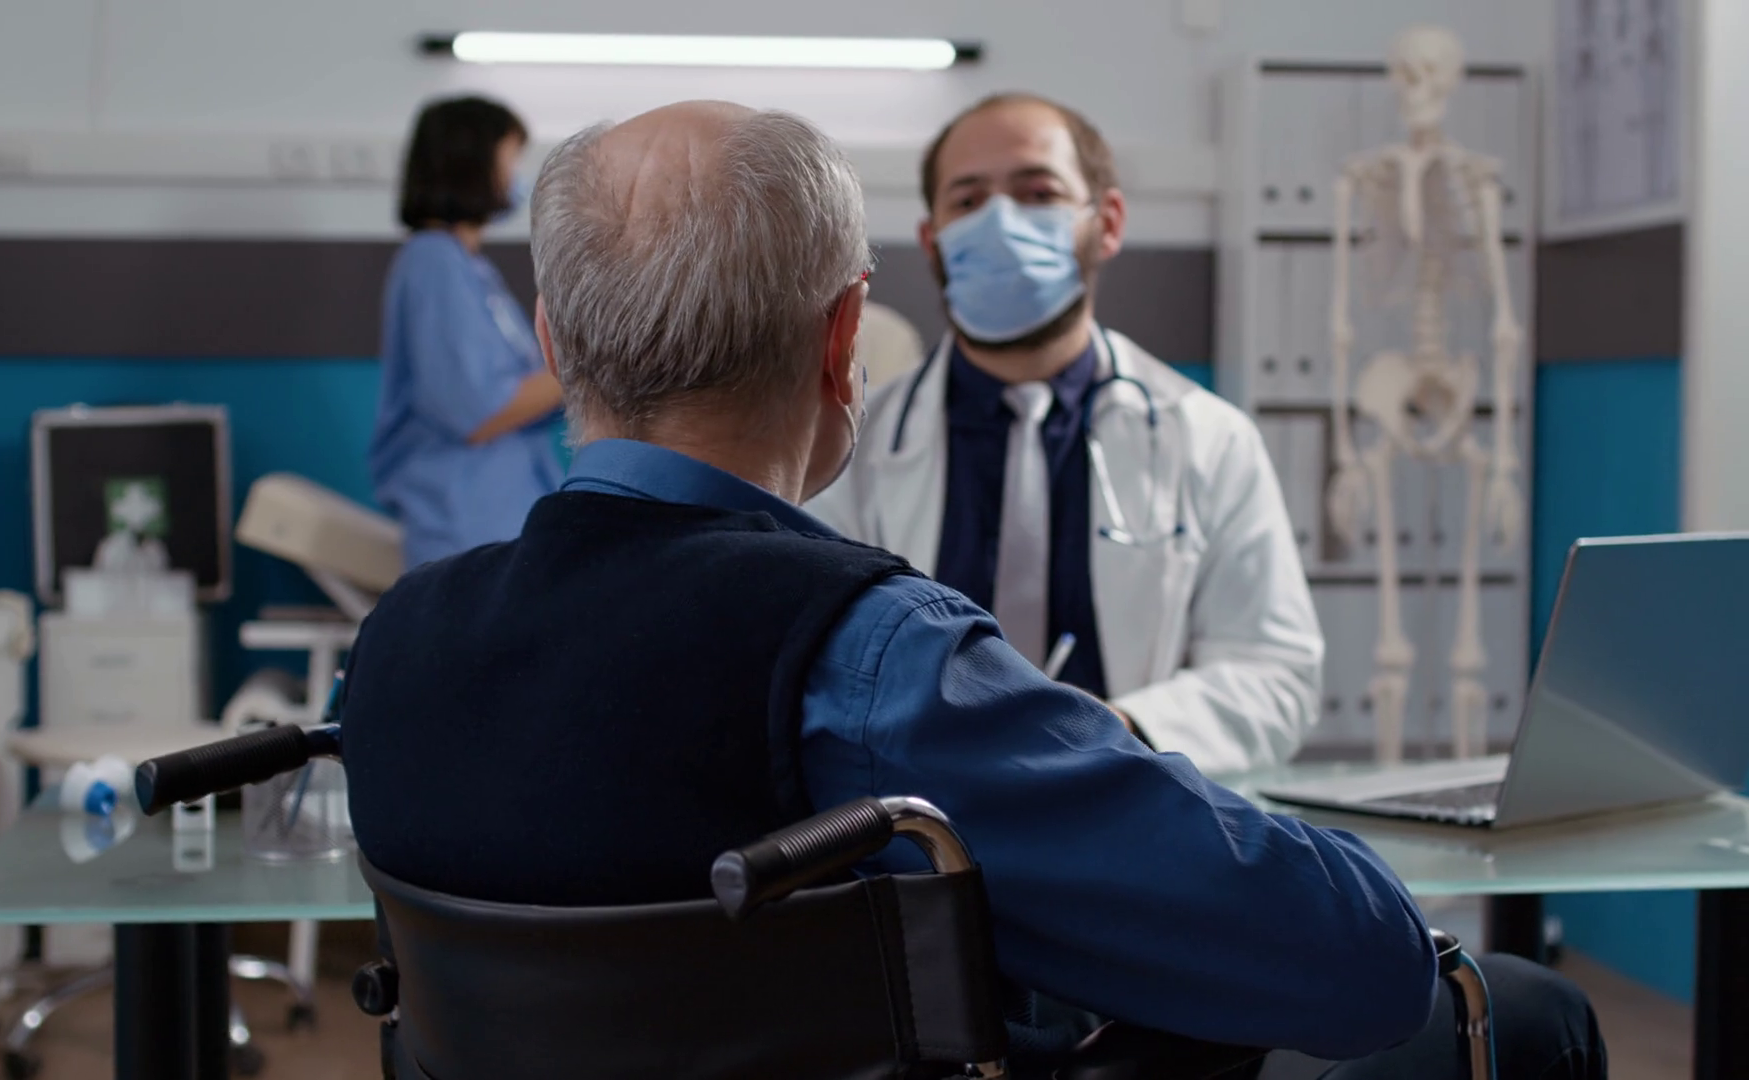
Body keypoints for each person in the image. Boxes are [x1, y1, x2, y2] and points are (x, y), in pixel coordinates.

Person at [337, 101, 1604, 1077]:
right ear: (847, 341)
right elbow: (1364, 968)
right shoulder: (870, 656)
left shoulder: (394, 652)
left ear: (553, 344)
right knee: (1529, 1014)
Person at [806, 93, 1319, 774]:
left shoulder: (1209, 439)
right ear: (933, 242)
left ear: (1106, 223)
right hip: (922, 822)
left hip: (1127, 806)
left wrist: (1124, 727)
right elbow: (814, 656)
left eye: (1036, 192)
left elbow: (1274, 674)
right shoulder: (851, 449)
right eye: (968, 201)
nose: (1001, 222)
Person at [369, 95, 565, 569]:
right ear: (472, 163)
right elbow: (476, 410)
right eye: (510, 158)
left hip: (502, 515)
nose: (517, 175)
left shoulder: (468, 268)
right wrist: (590, 366)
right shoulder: (433, 264)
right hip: (467, 524)